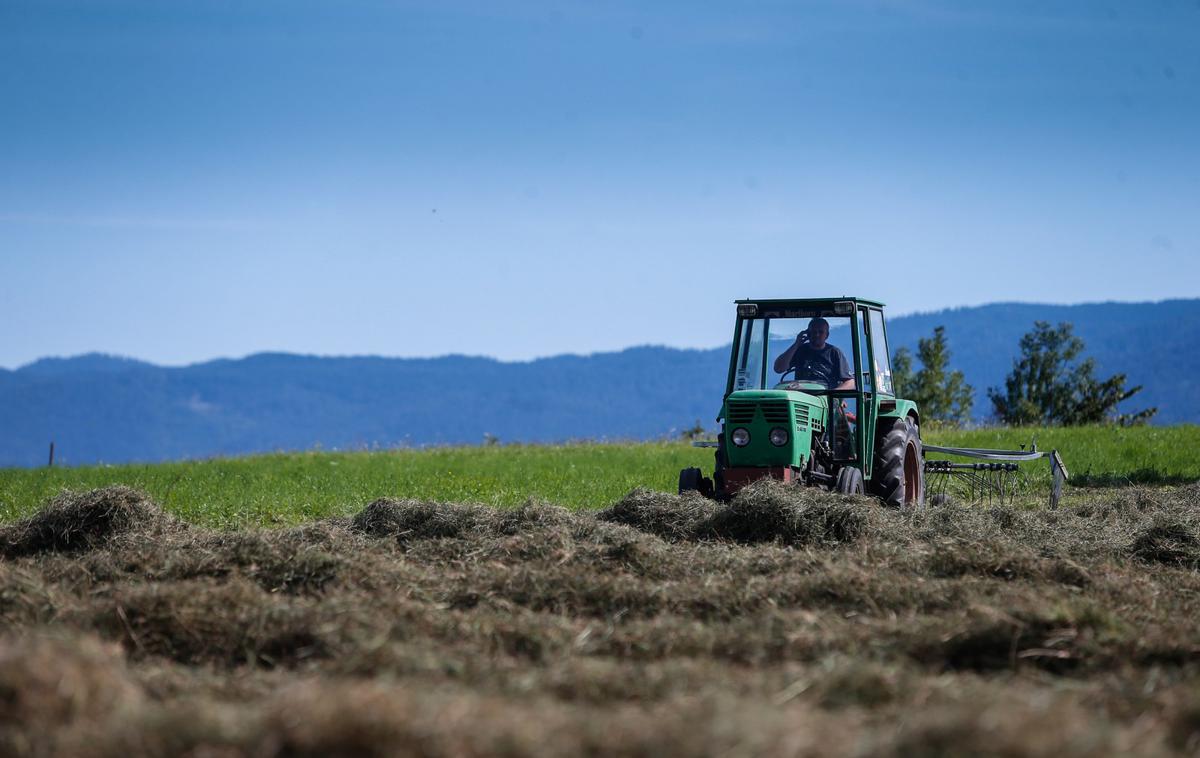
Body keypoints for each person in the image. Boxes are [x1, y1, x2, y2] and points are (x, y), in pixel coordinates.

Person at [772, 317, 855, 390]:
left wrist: (833, 394)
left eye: (821, 332)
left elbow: (850, 382)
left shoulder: (834, 353)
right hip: (801, 394)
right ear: (808, 333)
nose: (817, 335)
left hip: (824, 397)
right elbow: (778, 368)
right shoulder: (799, 350)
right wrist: (796, 344)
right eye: (813, 332)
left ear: (827, 335)